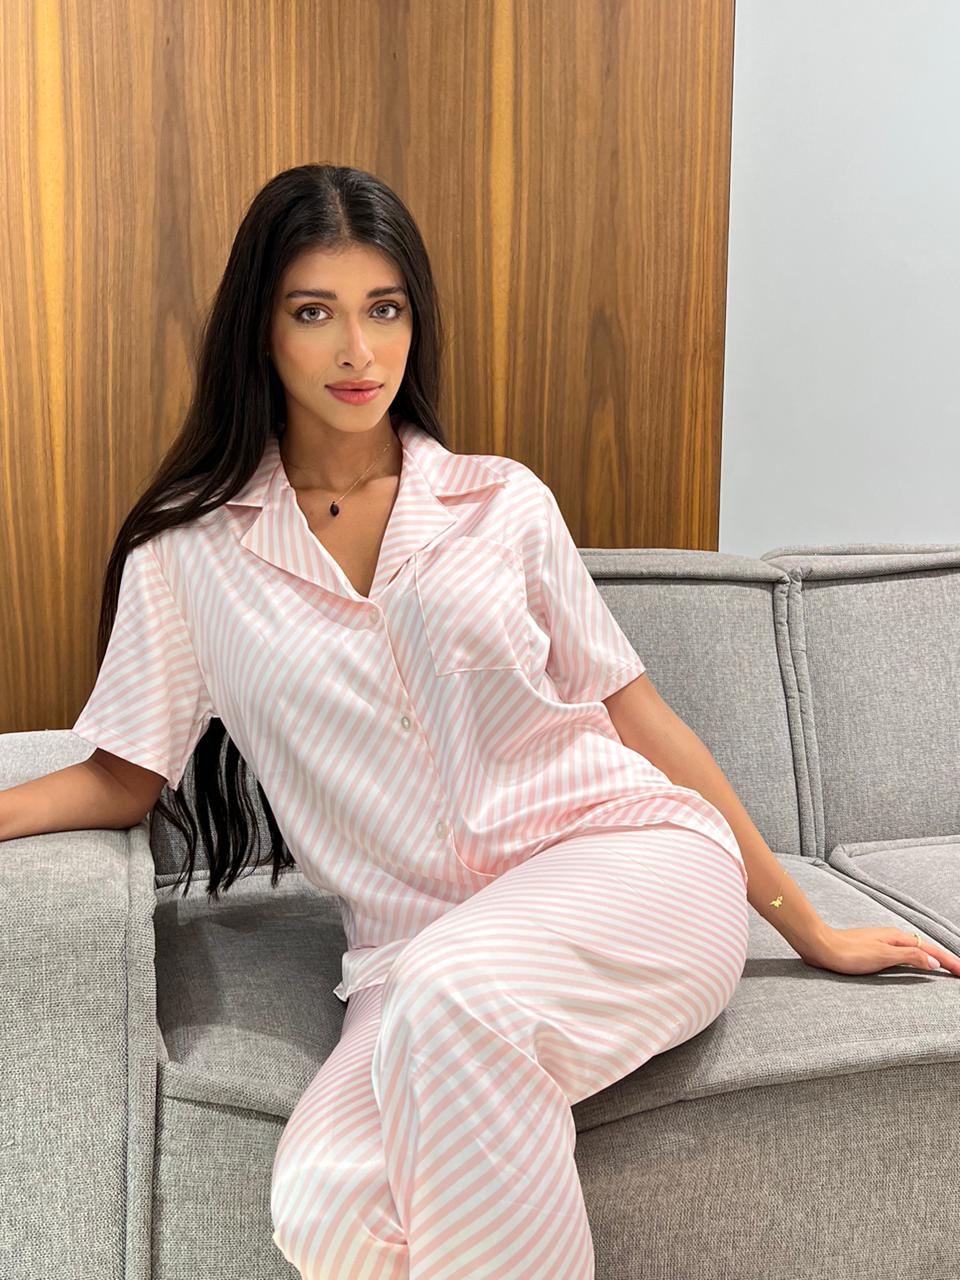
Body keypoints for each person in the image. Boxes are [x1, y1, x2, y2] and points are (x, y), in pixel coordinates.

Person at [20, 163, 945, 1280]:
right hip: (413, 959)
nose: (360, 352)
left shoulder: (502, 503)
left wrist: (807, 925)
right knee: (327, 1203)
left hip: (627, 867)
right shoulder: (190, 558)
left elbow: (641, 719)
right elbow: (123, 777)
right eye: (316, 312)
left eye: (385, 308)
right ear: (260, 331)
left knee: (459, 997)